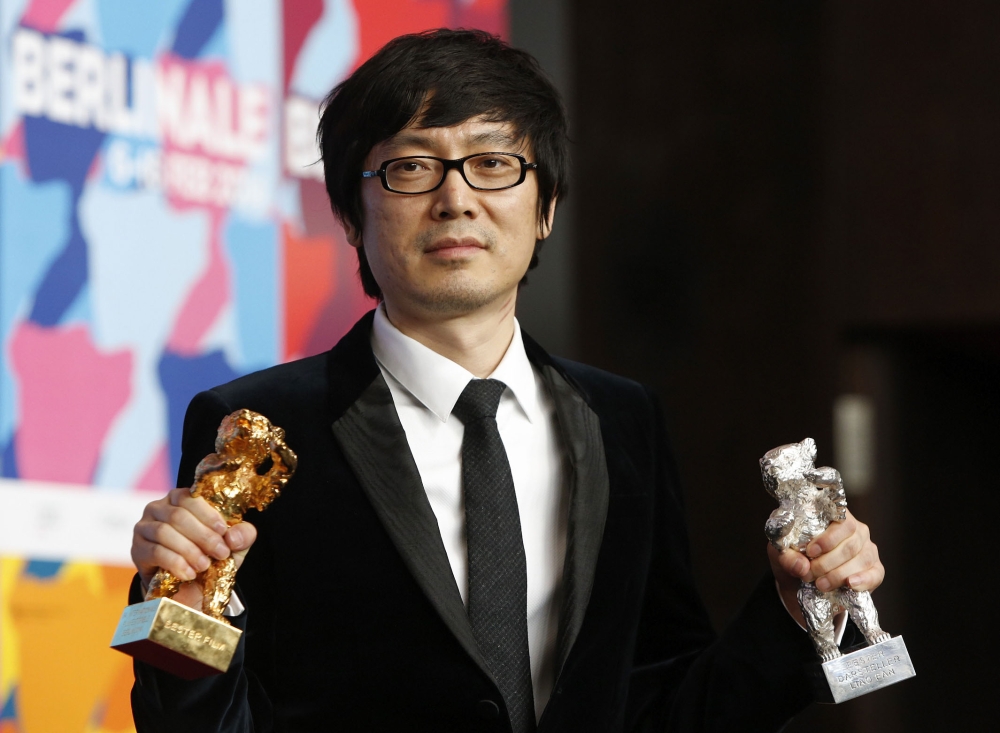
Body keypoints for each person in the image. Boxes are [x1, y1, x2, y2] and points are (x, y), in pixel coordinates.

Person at [128, 29, 885, 733]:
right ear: (351, 215)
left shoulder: (622, 420)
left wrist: (795, 612)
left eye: (494, 163)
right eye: (411, 166)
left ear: (546, 205)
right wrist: (181, 616)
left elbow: (667, 701)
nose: (456, 197)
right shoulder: (257, 423)